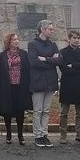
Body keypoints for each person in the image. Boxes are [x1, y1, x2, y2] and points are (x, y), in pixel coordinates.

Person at [28, 20, 61, 148]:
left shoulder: (53, 44)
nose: (52, 31)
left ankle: (44, 134)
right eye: (50, 29)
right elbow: (34, 62)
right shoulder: (32, 44)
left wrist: (45, 59)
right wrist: (51, 61)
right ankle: (37, 136)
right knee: (38, 110)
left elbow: (59, 60)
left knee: (46, 110)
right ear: (43, 29)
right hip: (38, 81)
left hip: (50, 82)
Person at [0, 33, 32, 145]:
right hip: (7, 87)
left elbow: (28, 71)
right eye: (14, 39)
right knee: (7, 111)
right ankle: (8, 134)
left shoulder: (24, 54)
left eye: (17, 39)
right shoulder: (1, 56)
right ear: (9, 42)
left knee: (20, 111)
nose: (17, 41)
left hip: (21, 86)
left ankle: (20, 135)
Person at [58, 30, 80, 144]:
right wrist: (79, 68)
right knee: (64, 112)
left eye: (78, 38)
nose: (76, 40)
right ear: (69, 39)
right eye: (74, 38)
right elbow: (63, 69)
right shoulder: (62, 52)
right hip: (67, 84)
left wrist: (73, 65)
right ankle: (63, 135)